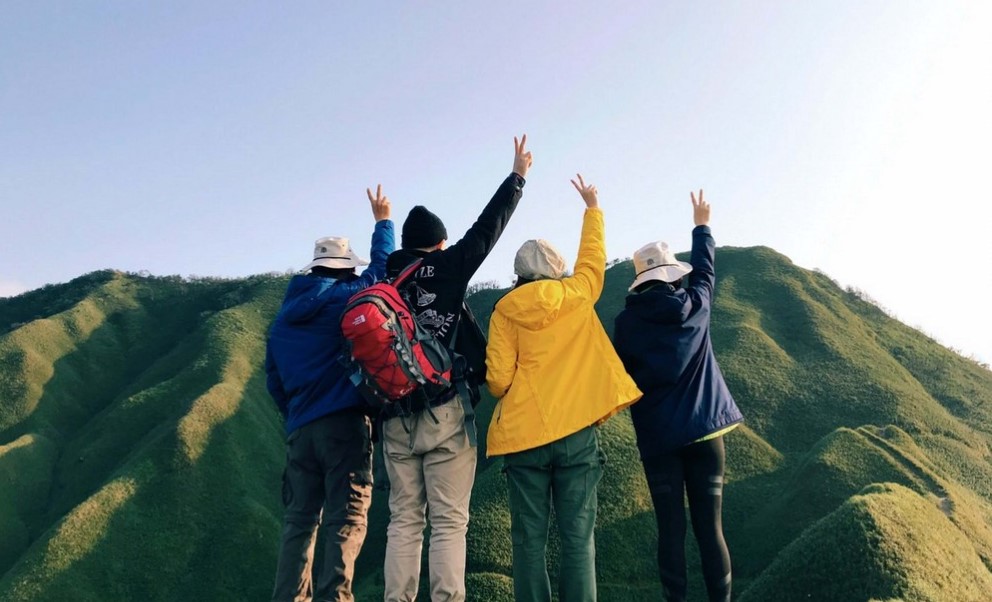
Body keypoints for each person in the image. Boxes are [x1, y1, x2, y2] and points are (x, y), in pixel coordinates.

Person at [381, 135, 533, 602]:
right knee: (448, 522)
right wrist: (517, 177)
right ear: (440, 244)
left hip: (394, 412)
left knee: (404, 520)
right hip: (445, 410)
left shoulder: (386, 279)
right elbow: (486, 229)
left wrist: (382, 222)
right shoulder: (448, 267)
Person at [485, 174, 642, 602]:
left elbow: (497, 382)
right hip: (576, 437)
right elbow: (592, 260)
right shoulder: (578, 293)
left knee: (529, 544)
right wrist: (592, 208)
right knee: (578, 540)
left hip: (526, 439)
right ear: (557, 271)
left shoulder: (504, 313)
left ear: (518, 275)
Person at [612, 190, 743, 602]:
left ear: (640, 281)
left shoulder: (626, 325)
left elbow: (622, 377)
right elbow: (705, 271)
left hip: (659, 443)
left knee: (670, 529)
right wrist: (702, 224)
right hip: (706, 436)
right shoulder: (696, 304)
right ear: (673, 275)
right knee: (711, 530)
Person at [265, 187, 394, 602]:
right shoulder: (345, 299)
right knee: (346, 518)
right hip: (343, 423)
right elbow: (382, 271)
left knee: (299, 522)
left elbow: (274, 381)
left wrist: (298, 412)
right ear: (343, 270)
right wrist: (383, 222)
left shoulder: (283, 321)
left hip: (301, 430)